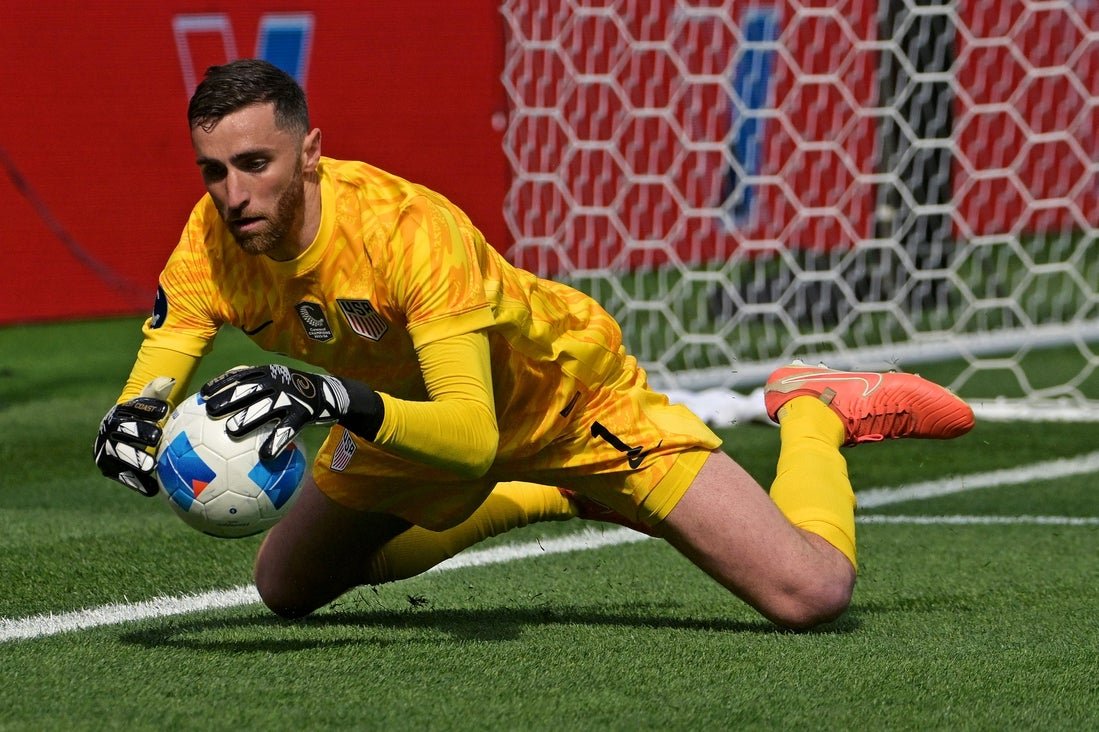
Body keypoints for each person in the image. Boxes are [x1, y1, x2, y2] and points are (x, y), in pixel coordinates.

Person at [93, 59, 974, 630]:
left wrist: (328, 400)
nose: (233, 192)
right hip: (411, 425)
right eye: (213, 169)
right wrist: (131, 422)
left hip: (560, 403)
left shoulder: (409, 232)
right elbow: (157, 370)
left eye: (257, 164)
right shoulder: (209, 245)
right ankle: (529, 498)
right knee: (284, 589)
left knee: (810, 595)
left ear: (311, 154)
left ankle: (814, 410)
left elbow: (473, 431)